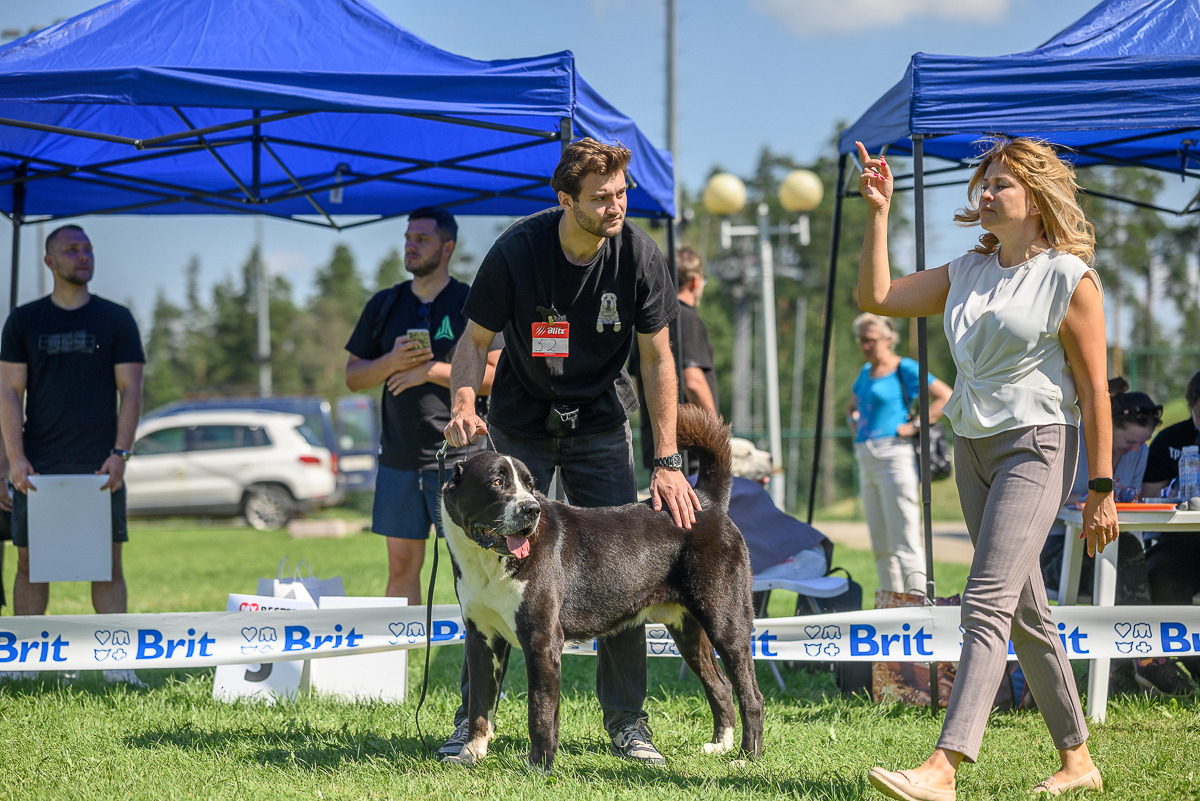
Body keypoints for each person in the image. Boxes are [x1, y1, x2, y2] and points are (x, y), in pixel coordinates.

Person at [855, 137, 1116, 800]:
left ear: (1036, 199)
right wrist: (879, 212)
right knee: (1025, 609)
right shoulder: (967, 270)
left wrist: (1102, 487)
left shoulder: (1069, 276)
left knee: (987, 600)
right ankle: (1078, 759)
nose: (987, 193)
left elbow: (1094, 391)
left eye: (1001, 183)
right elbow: (879, 295)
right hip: (970, 444)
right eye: (985, 182)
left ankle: (943, 766)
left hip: (1038, 444)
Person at [441, 137, 701, 765]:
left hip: (602, 423)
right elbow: (473, 343)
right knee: (490, 571)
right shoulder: (517, 249)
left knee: (624, 572)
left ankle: (627, 724)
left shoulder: (639, 255)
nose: (616, 207)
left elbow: (657, 358)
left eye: (622, 194)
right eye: (601, 197)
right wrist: (462, 404)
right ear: (566, 200)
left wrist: (665, 460)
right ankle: (472, 724)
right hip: (523, 420)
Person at [0, 224, 145, 686]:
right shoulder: (24, 321)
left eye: (87, 249)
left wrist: (121, 452)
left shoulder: (116, 319)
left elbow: (132, 387)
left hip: (100, 466)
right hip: (38, 467)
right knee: (29, 562)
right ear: (49, 262)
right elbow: (7, 391)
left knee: (107, 563)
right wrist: (14, 459)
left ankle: (116, 665)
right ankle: (26, 664)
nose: (82, 256)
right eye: (71, 249)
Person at [344, 207, 502, 605]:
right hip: (399, 458)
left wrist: (431, 371)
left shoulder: (471, 301)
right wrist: (390, 363)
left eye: (422, 239)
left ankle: (477, 656)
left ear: (447, 247)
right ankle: (405, 661)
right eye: (408, 238)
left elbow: (498, 374)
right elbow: (353, 377)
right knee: (400, 565)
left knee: (474, 565)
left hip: (461, 460)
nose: (411, 246)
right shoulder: (384, 304)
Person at [1039, 378, 1194, 697]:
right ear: (1109, 426)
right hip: (1058, 551)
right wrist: (1084, 498)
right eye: (1129, 443)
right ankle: (1147, 655)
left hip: (1109, 548)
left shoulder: (1139, 453)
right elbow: (1046, 497)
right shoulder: (1075, 444)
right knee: (1127, 555)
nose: (1137, 451)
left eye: (1142, 444)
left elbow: (1126, 505)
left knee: (1128, 552)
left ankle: (1127, 670)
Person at [848, 313, 952, 594]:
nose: (865, 346)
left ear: (888, 339)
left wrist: (915, 425)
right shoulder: (864, 373)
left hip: (894, 455)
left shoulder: (903, 367)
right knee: (880, 543)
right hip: (866, 456)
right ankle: (891, 604)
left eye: (871, 340)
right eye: (862, 340)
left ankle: (917, 601)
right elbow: (853, 404)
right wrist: (854, 420)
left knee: (904, 537)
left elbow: (946, 395)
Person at [636, 244, 718, 474]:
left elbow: (637, 380)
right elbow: (693, 380)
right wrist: (717, 437)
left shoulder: (648, 321)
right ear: (695, 281)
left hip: (657, 445)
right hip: (690, 451)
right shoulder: (687, 319)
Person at [1141, 370, 1200, 683]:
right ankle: (1186, 661)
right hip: (1179, 542)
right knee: (1159, 574)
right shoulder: (1171, 440)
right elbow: (1150, 496)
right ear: (1191, 405)